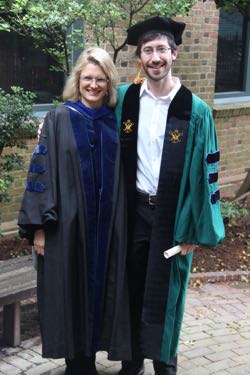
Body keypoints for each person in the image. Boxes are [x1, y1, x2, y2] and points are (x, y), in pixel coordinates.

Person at [115, 16, 225, 375]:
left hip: (172, 214)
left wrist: (195, 227)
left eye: (161, 49)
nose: (155, 57)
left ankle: (164, 363)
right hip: (133, 210)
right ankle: (132, 363)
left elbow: (206, 176)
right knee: (130, 284)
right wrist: (51, 122)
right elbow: (85, 107)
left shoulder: (195, 110)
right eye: (148, 51)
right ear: (141, 58)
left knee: (168, 291)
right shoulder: (126, 100)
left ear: (173, 54)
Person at [18, 47, 131, 375]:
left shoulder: (116, 121)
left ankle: (91, 357)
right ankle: (76, 363)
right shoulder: (58, 118)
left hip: (107, 227)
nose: (93, 85)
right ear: (77, 80)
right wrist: (39, 227)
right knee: (71, 286)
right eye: (87, 79)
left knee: (104, 287)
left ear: (109, 83)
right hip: (68, 225)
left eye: (100, 79)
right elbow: (41, 173)